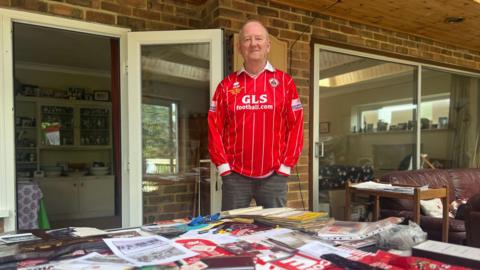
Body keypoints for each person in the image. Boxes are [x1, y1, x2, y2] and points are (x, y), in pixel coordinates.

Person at [208, 19, 304, 210]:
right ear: (239, 47)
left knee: (275, 232)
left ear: (268, 45)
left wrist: (285, 166)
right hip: (235, 176)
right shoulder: (225, 86)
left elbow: (296, 126)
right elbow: (214, 127)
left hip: (274, 177)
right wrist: (223, 167)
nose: (253, 44)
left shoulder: (285, 83)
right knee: (233, 231)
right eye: (247, 39)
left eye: (259, 38)